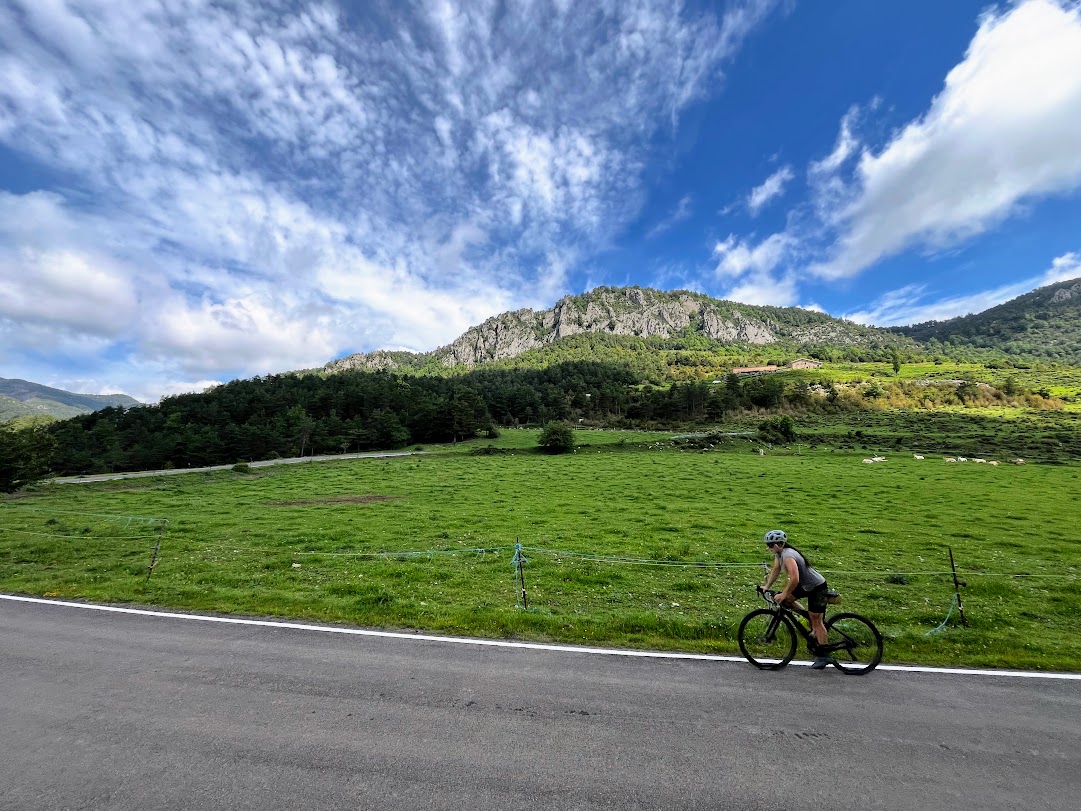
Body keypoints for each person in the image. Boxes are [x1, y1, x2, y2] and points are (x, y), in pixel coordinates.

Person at [761, 529, 834, 669]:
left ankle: (824, 655)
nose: (769, 548)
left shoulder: (788, 555)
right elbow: (776, 571)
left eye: (770, 545)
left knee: (816, 621)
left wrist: (783, 593)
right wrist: (766, 586)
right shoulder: (779, 553)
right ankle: (809, 619)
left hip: (817, 587)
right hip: (806, 586)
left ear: (779, 544)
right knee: (787, 600)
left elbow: (795, 579)